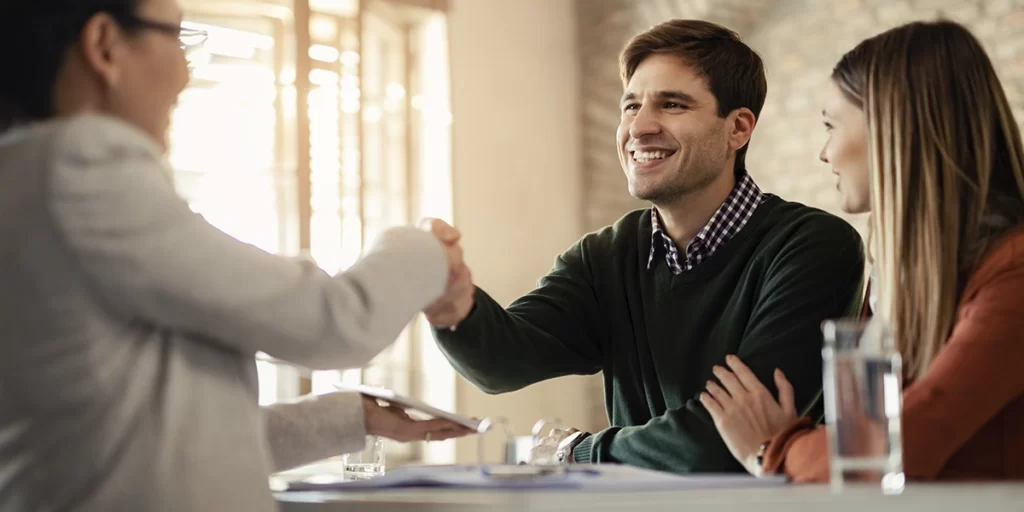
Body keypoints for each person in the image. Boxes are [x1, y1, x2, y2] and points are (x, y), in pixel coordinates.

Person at [0, 1, 475, 510]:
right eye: (178, 38)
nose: (185, 74)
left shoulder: (28, 176)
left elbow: (162, 445)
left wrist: (352, 418)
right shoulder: (79, 166)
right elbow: (334, 321)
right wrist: (428, 247)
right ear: (104, 45)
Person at [424, 19, 866, 473]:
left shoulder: (814, 248)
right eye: (631, 106)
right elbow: (501, 361)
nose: (640, 127)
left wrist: (580, 450)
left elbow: (723, 444)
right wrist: (449, 301)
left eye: (672, 105)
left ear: (738, 128)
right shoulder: (605, 257)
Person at [701, 19, 1024, 481]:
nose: (824, 153)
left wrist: (773, 447)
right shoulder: (900, 277)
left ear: (893, 126)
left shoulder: (1013, 273)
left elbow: (887, 452)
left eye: (831, 126)